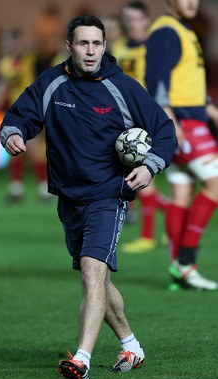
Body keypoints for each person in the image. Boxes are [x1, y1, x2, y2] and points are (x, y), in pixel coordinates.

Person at [0, 15, 177, 379]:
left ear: (105, 45)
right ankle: (131, 344)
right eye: (83, 43)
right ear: (70, 46)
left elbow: (164, 132)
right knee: (94, 277)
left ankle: (81, 358)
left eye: (97, 43)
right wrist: (13, 134)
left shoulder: (123, 88)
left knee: (93, 271)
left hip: (109, 194)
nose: (91, 50)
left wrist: (149, 168)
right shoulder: (51, 83)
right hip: (69, 196)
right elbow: (20, 115)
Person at [145, 0, 218, 290]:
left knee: (181, 194)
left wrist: (210, 107)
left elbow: (186, 81)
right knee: (215, 185)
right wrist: (169, 117)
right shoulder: (166, 30)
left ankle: (178, 268)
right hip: (184, 123)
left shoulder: (182, 29)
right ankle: (186, 262)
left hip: (189, 117)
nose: (192, 2)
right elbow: (156, 79)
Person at [0, 7, 64, 202]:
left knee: (34, 148)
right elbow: (1, 88)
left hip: (34, 109)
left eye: (11, 41)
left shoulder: (33, 59)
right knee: (14, 148)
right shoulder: (5, 63)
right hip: (16, 111)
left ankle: (45, 188)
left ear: (20, 41)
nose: (8, 46)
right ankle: (17, 189)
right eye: (5, 42)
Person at [111, 1, 169, 251]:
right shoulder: (119, 47)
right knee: (136, 176)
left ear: (147, 20)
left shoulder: (155, 47)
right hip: (125, 118)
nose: (132, 24)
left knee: (142, 175)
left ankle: (148, 235)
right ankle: (173, 216)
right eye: (129, 20)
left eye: (137, 19)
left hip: (148, 117)